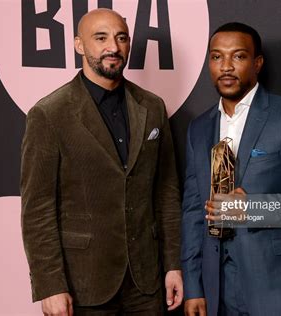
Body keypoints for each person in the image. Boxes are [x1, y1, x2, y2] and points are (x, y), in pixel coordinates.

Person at [21, 8, 183, 315]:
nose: (114, 47)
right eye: (101, 37)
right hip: (84, 284)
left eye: (121, 38)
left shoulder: (152, 106)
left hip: (146, 282)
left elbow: (166, 193)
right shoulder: (49, 114)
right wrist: (50, 285)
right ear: (79, 45)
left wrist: (173, 265)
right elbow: (37, 209)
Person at [181, 22, 281, 316]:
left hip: (280, 286)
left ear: (257, 63)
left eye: (238, 57)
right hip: (217, 291)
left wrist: (254, 207)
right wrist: (194, 286)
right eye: (217, 57)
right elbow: (193, 211)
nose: (226, 66)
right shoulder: (199, 129)